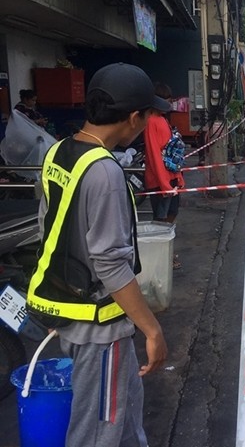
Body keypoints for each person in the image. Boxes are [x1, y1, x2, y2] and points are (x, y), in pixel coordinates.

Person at [26, 62, 169, 447]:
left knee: (123, 415)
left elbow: (48, 228)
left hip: (69, 309)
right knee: (97, 430)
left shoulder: (59, 152)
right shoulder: (104, 172)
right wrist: (151, 328)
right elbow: (108, 261)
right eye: (147, 116)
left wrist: (59, 302)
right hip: (98, 325)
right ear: (134, 118)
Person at [144, 82, 185, 269]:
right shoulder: (152, 121)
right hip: (161, 181)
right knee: (161, 220)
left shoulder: (162, 119)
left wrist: (177, 178)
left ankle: (167, 253)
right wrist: (164, 184)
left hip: (170, 178)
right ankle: (161, 256)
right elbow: (154, 154)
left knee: (171, 215)